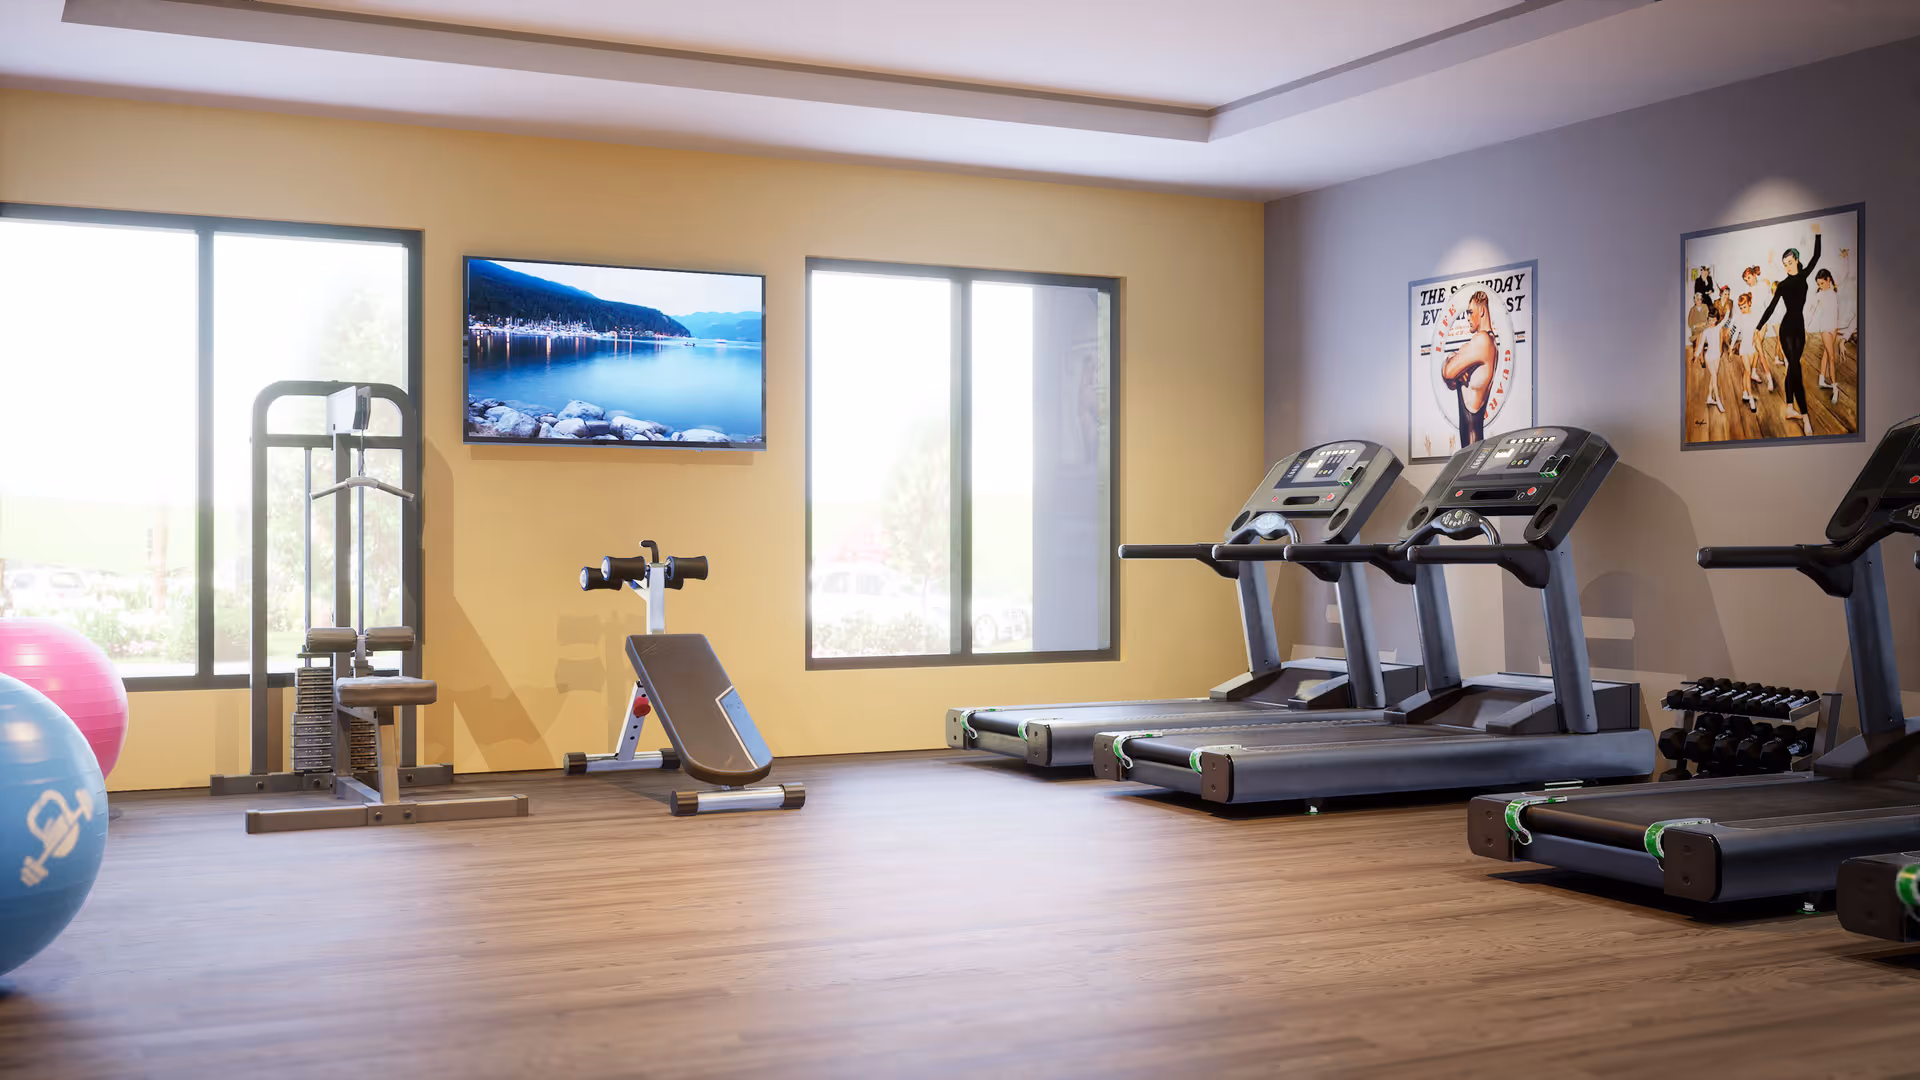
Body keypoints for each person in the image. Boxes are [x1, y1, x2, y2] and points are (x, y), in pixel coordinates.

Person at [1754, 224, 1822, 436]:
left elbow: (1817, 256)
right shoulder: (1782, 285)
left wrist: (1818, 233)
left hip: (1799, 328)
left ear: (1797, 261)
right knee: (1795, 368)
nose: (1788, 267)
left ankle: (1790, 407)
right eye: (1785, 265)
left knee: (1792, 367)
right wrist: (1758, 326)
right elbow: (1771, 307)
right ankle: (1805, 417)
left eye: (1790, 263)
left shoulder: (1804, 275)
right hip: (1786, 330)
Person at [1441, 290, 1498, 446]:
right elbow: (1452, 383)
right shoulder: (1490, 342)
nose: (1467, 318)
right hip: (1473, 445)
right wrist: (1456, 371)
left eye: (1470, 312)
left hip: (1471, 449)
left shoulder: (1482, 341)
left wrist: (1450, 357)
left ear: (1482, 311)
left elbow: (1448, 372)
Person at [1694, 302, 1728, 415]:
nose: (1711, 321)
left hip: (1717, 356)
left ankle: (1709, 397)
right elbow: (1701, 345)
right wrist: (1696, 355)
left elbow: (1725, 319)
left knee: (1713, 378)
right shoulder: (1706, 331)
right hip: (1709, 357)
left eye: (1713, 319)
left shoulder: (1718, 328)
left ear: (1716, 319)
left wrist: (1728, 310)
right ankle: (1718, 400)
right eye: (1709, 319)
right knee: (1714, 377)